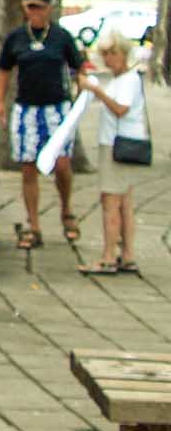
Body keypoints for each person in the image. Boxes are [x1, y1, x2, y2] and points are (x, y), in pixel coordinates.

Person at [0, 0, 87, 251]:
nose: (34, 12)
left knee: (62, 163)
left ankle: (66, 209)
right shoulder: (16, 38)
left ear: (49, 9)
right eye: (30, 7)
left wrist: (81, 96)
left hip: (57, 107)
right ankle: (33, 224)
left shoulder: (61, 37)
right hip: (27, 108)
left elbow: (78, 66)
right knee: (28, 167)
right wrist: (0, 102)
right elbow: (3, 69)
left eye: (39, 7)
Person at [78, 31, 146, 276]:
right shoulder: (123, 79)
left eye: (112, 53)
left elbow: (120, 109)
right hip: (122, 141)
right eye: (105, 54)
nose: (108, 59)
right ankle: (127, 255)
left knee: (111, 201)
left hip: (117, 144)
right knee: (124, 202)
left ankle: (108, 257)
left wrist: (97, 92)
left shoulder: (127, 80)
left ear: (124, 54)